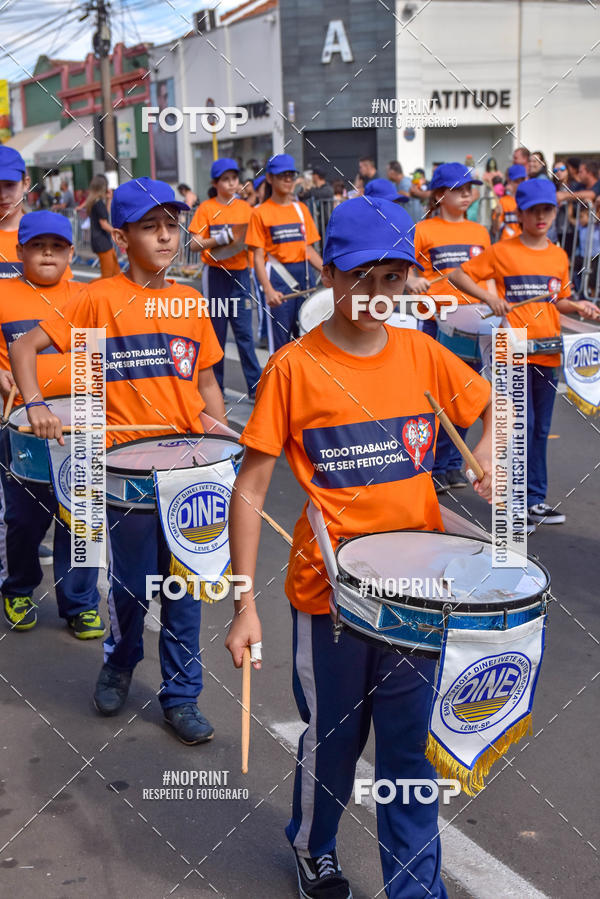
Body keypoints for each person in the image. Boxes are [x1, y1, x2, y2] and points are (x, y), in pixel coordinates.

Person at [225, 195, 494, 899]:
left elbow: (490, 402)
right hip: (330, 601)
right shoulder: (293, 368)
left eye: (390, 279)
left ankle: (415, 889)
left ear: (407, 278)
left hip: (419, 597)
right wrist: (243, 602)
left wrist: (491, 456)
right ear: (327, 271)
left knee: (409, 753)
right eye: (358, 277)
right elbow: (250, 486)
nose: (374, 295)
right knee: (334, 744)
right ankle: (314, 845)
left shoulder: (423, 353)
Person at [10, 178, 227, 744]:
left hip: (188, 473)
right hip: (124, 473)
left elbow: (205, 381)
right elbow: (24, 347)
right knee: (131, 588)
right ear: (121, 234)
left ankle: (183, 695)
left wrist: (220, 441)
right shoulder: (96, 298)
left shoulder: (191, 301)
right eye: (150, 227)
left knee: (184, 588)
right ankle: (120, 661)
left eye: (171, 226)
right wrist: (35, 404)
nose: (164, 237)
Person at [449, 179, 600, 528]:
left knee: (541, 428)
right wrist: (488, 297)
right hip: (512, 352)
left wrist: (576, 305)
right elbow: (459, 275)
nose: (541, 216)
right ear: (521, 213)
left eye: (547, 209)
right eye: (534, 211)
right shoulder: (503, 251)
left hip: (548, 351)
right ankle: (512, 503)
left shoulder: (559, 255)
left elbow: (555, 300)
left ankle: (535, 499)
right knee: (519, 426)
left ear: (555, 212)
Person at [0, 211, 102, 635]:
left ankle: (80, 602)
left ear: (71, 253)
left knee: (83, 515)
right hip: (23, 425)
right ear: (19, 251)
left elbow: (98, 359)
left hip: (81, 424)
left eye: (57, 247)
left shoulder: (88, 296)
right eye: (38, 246)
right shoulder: (3, 294)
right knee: (26, 515)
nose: (47, 253)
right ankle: (19, 586)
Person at [409, 162, 496, 493]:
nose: (466, 194)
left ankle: (451, 465)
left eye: (469, 188)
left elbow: (487, 275)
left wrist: (492, 307)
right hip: (434, 321)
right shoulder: (424, 230)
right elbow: (405, 270)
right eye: (458, 189)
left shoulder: (480, 232)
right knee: (436, 398)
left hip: (471, 321)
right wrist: (414, 281)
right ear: (439, 194)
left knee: (465, 396)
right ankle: (431, 465)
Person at [189, 158, 263, 399]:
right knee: (216, 336)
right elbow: (194, 244)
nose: (232, 184)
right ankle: (216, 390)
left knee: (245, 334)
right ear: (215, 182)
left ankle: (255, 387)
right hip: (217, 275)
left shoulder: (246, 209)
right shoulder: (206, 209)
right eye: (226, 179)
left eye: (234, 178)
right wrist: (220, 239)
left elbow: (254, 243)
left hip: (240, 274)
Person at [246, 154, 322, 352]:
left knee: (309, 340)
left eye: (291, 175)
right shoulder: (260, 212)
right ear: (270, 178)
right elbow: (257, 257)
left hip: (305, 277)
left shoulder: (301, 209)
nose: (288, 180)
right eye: (282, 176)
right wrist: (268, 290)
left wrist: (328, 272)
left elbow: (308, 249)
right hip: (278, 278)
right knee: (280, 346)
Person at [85, 174, 120, 278]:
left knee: (116, 273)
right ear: (103, 187)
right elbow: (104, 224)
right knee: (108, 277)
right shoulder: (98, 203)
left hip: (101, 242)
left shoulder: (94, 202)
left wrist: (109, 199)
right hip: (102, 242)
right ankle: (86, 291)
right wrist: (117, 233)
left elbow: (105, 214)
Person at [492, 164, 526, 241]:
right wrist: (497, 216)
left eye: (522, 180)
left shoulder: (529, 200)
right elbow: (496, 229)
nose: (520, 183)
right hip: (508, 241)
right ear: (509, 182)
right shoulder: (503, 201)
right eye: (517, 181)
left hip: (525, 242)